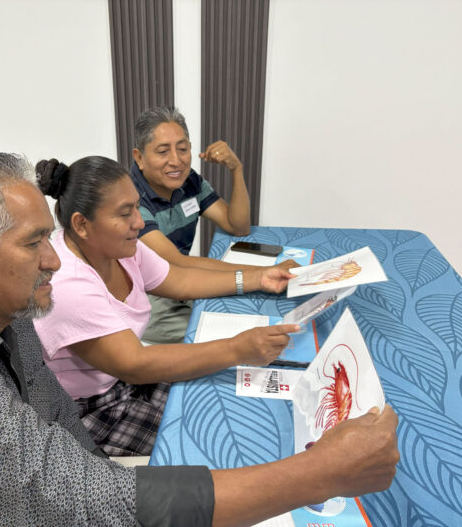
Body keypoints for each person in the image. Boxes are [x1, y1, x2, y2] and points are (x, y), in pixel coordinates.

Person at [0, 150, 399, 527]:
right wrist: (319, 474)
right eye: (34, 243)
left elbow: (60, 427)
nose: (52, 260)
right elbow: (73, 501)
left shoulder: (6, 309)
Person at [34, 156, 294, 456]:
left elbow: (179, 280)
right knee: (211, 435)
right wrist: (237, 349)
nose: (139, 222)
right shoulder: (68, 284)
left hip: (124, 381)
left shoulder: (120, 247)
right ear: (82, 224)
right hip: (90, 409)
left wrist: (258, 278)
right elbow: (135, 364)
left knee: (220, 400)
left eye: (137, 207)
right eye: (125, 213)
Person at [130, 106, 298, 344]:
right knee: (229, 331)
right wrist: (260, 274)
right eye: (163, 151)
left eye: (182, 149)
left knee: (246, 306)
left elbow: (238, 226)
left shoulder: (189, 181)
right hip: (148, 301)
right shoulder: (132, 201)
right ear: (139, 158)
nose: (176, 161)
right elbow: (176, 263)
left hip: (182, 282)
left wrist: (236, 169)